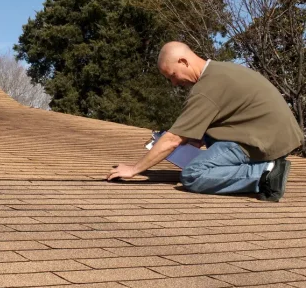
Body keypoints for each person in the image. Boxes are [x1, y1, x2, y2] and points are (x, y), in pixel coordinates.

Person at [107, 41, 304, 202]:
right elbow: (232, 114)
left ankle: (265, 174)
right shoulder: (220, 71)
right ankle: (265, 167)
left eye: (172, 75)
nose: (174, 83)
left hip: (260, 142)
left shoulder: (205, 89)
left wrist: (134, 169)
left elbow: (173, 138)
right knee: (202, 141)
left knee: (193, 175)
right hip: (273, 136)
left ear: (183, 61)